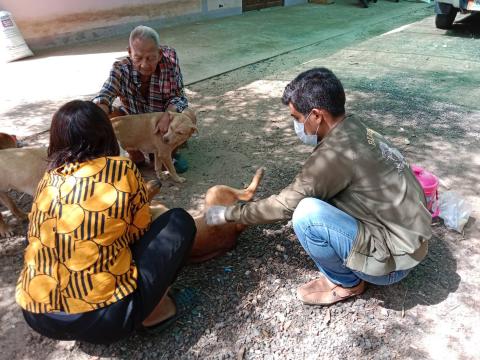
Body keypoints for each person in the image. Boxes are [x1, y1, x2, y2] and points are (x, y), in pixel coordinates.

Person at [206, 68, 432, 306]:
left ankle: (347, 284)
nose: (295, 125)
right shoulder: (356, 128)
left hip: (393, 265)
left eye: (296, 118)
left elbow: (285, 205)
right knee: (319, 197)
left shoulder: (335, 154)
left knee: (306, 214)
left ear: (316, 115)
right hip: (412, 244)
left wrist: (227, 213)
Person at [16, 100, 197, 344]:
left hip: (38, 315)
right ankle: (157, 312)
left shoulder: (48, 181)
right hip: (106, 318)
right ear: (106, 134)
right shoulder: (121, 168)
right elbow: (138, 232)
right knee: (179, 221)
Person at [92, 25, 190, 172]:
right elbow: (105, 95)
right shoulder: (120, 69)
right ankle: (135, 154)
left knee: (188, 115)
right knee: (105, 114)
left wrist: (167, 115)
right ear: (129, 52)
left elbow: (179, 96)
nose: (144, 65)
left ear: (159, 53)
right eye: (138, 58)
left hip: (160, 125)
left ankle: (170, 152)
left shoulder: (170, 62)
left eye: (151, 58)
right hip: (136, 126)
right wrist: (96, 114)